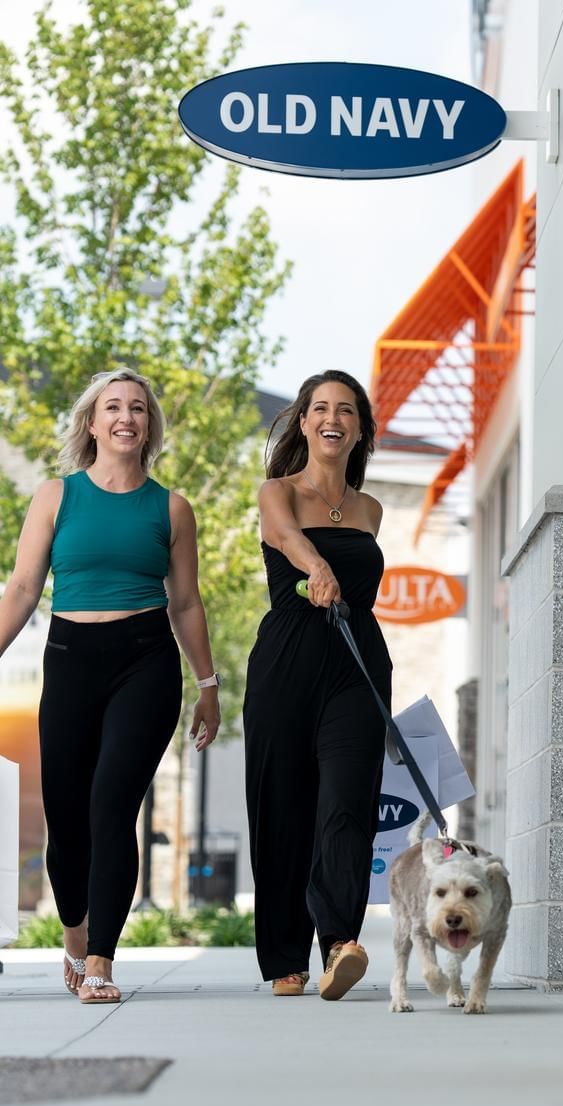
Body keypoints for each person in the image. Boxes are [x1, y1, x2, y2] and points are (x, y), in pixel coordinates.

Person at [0, 368, 221, 1003]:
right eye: (113, 408)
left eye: (139, 409)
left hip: (145, 662)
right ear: (92, 423)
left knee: (111, 804)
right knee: (67, 823)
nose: (127, 417)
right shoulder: (54, 497)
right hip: (70, 659)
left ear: (149, 426)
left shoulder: (172, 507)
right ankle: (75, 933)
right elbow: (20, 589)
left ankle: (101, 961)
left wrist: (207, 685)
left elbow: (185, 603)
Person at [244, 370, 390, 1000]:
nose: (333, 418)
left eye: (347, 410)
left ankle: (339, 943)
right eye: (321, 408)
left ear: (359, 428)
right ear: (303, 420)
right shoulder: (276, 491)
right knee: (284, 805)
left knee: (347, 803)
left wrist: (335, 575)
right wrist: (318, 566)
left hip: (356, 666)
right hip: (285, 663)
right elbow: (282, 536)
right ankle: (284, 957)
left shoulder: (370, 509)